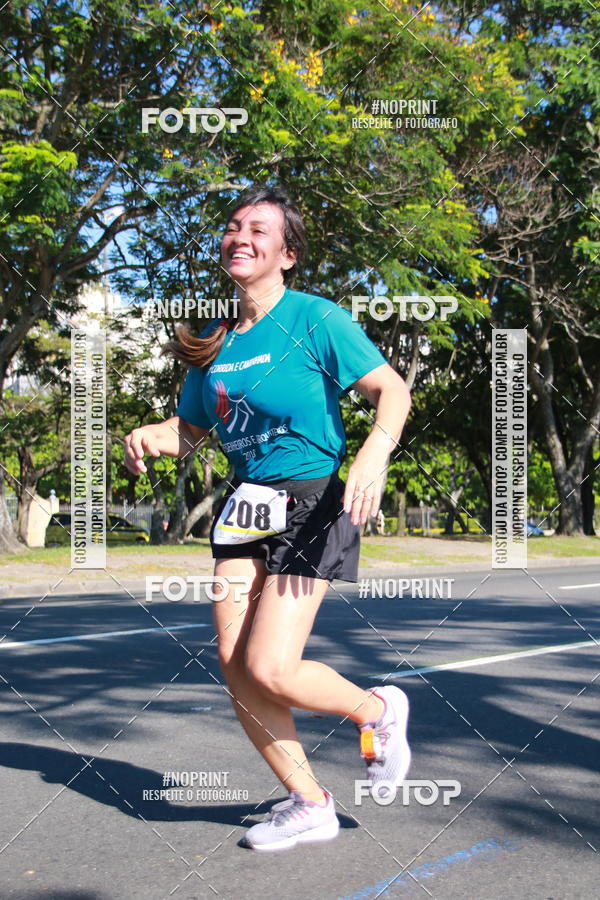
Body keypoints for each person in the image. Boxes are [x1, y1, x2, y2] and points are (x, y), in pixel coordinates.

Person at [124, 184, 412, 852]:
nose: (241, 236)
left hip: (310, 500)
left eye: (259, 228)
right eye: (232, 227)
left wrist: (375, 450)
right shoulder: (216, 339)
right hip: (246, 505)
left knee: (271, 666)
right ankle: (309, 802)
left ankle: (378, 710)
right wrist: (153, 434)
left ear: (286, 253)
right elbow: (193, 429)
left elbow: (389, 390)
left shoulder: (316, 320)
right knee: (234, 663)